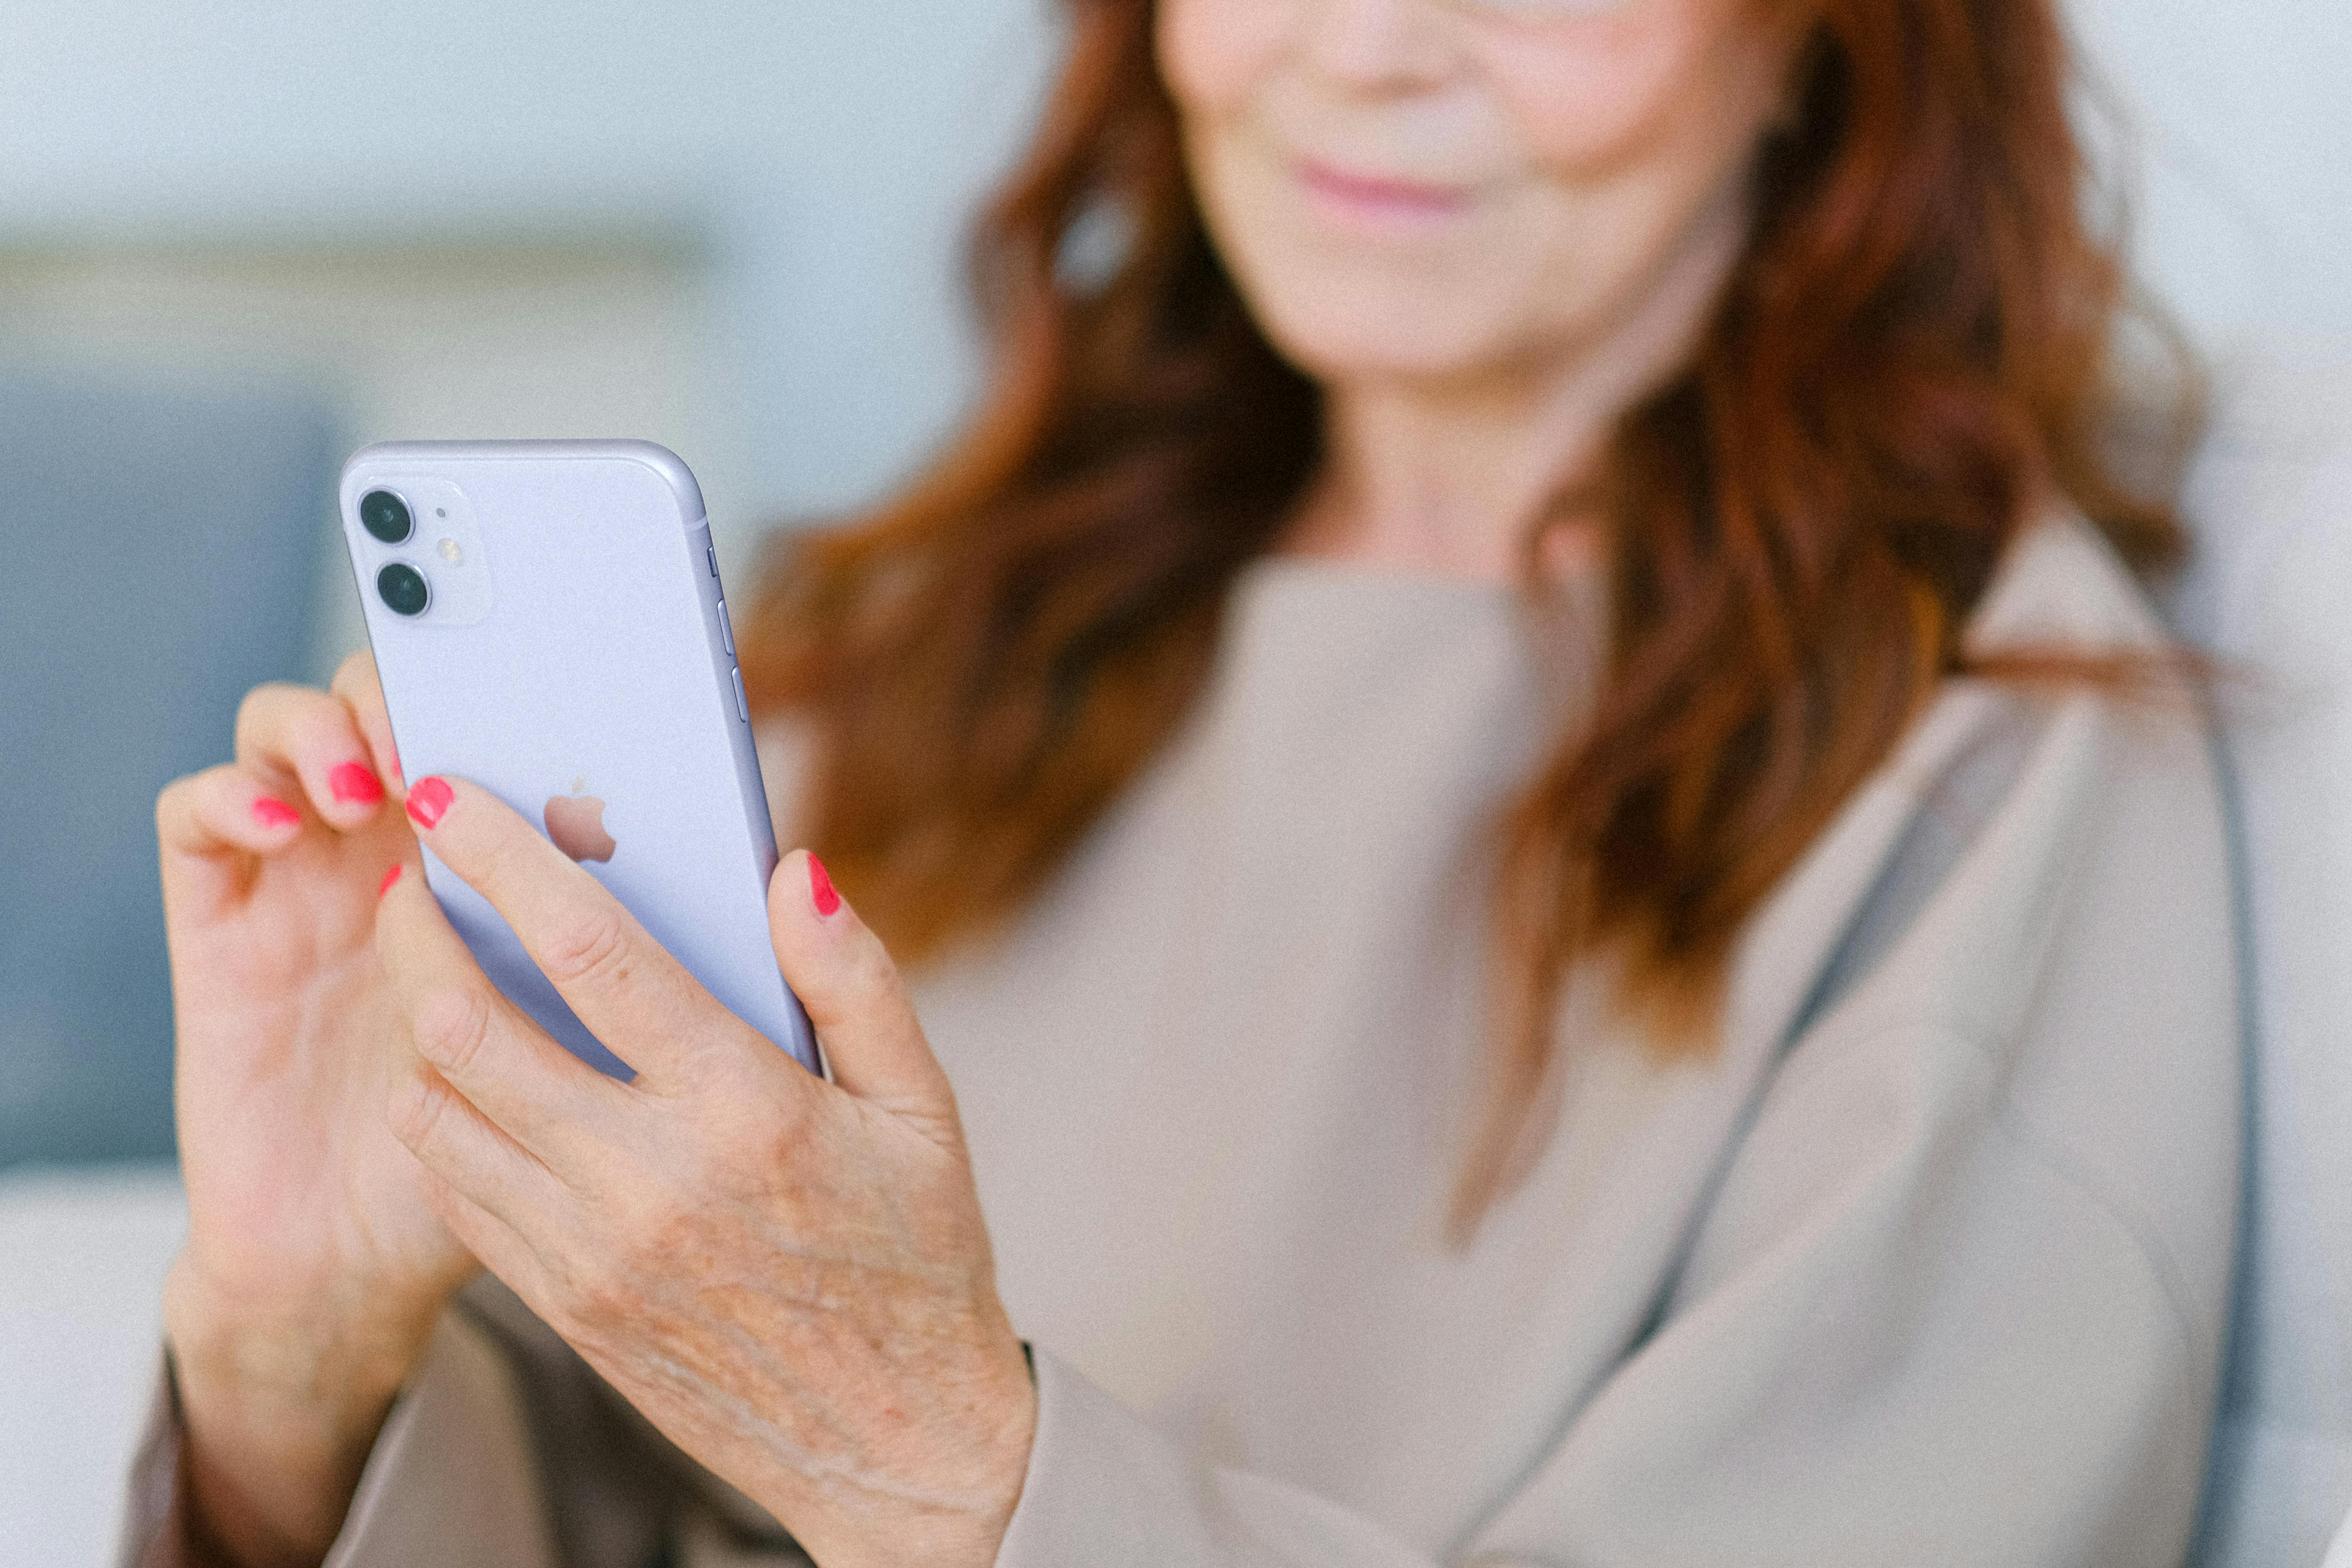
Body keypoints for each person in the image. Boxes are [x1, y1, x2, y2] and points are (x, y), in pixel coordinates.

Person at [124, 0, 2240, 1563]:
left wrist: (953, 1472)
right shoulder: (927, 645)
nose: (1368, 46)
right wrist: (294, 1375)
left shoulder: (1989, 761)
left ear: (1837, 44)